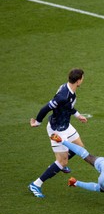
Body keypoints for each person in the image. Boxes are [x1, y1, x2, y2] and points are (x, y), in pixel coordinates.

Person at [29, 68, 88, 198]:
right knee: (62, 162)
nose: (83, 80)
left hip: (66, 126)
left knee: (80, 148)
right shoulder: (63, 96)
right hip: (57, 130)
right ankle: (36, 184)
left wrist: (78, 115)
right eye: (82, 78)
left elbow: (68, 107)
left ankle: (57, 164)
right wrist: (37, 122)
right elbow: (46, 108)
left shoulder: (68, 89)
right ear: (78, 81)